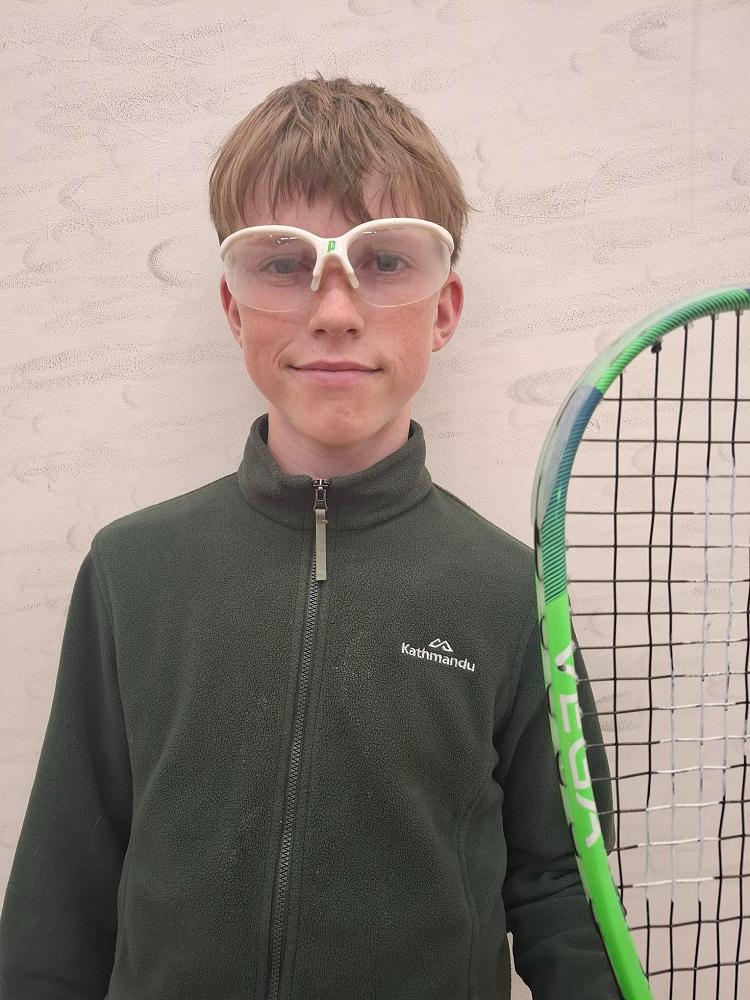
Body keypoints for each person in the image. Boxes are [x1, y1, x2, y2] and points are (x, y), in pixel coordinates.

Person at [0, 73, 618, 999]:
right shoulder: (131, 570)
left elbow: (564, 887)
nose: (334, 310)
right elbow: (62, 889)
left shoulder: (513, 595)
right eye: (284, 264)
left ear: (445, 310)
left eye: (386, 260)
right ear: (233, 306)